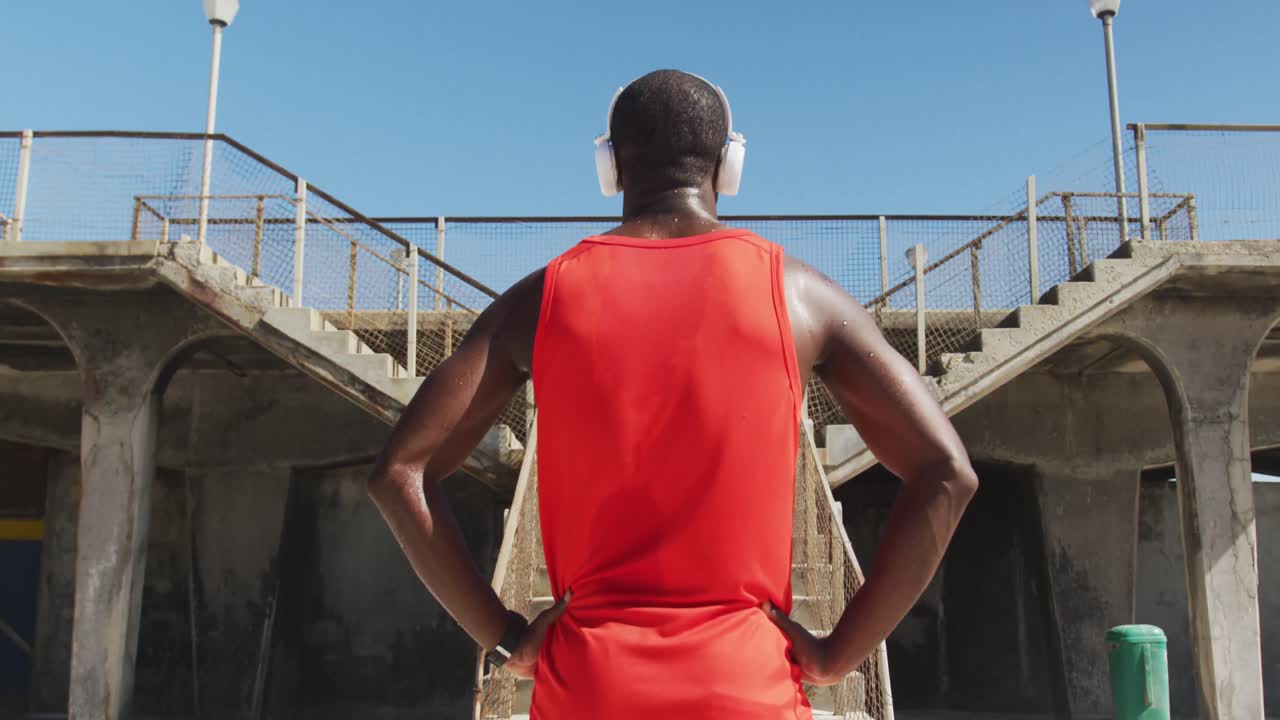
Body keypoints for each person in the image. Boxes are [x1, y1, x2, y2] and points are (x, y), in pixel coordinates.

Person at [367, 69, 978, 719]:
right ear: (728, 164)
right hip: (746, 689)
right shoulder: (798, 295)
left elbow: (400, 474)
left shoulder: (541, 301)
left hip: (590, 690)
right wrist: (837, 654)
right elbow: (947, 474)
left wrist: (507, 637)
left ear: (611, 166)